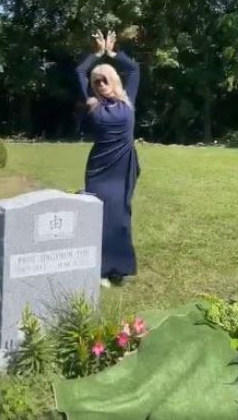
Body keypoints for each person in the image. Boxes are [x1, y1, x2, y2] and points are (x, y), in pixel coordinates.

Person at [75, 29, 141, 287]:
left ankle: (119, 269)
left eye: (105, 79)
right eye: (97, 81)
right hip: (100, 168)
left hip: (123, 166)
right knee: (99, 216)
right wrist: (96, 54)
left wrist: (112, 53)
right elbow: (79, 72)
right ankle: (100, 269)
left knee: (121, 217)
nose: (101, 84)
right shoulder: (94, 104)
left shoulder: (128, 101)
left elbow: (134, 69)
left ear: (113, 79)